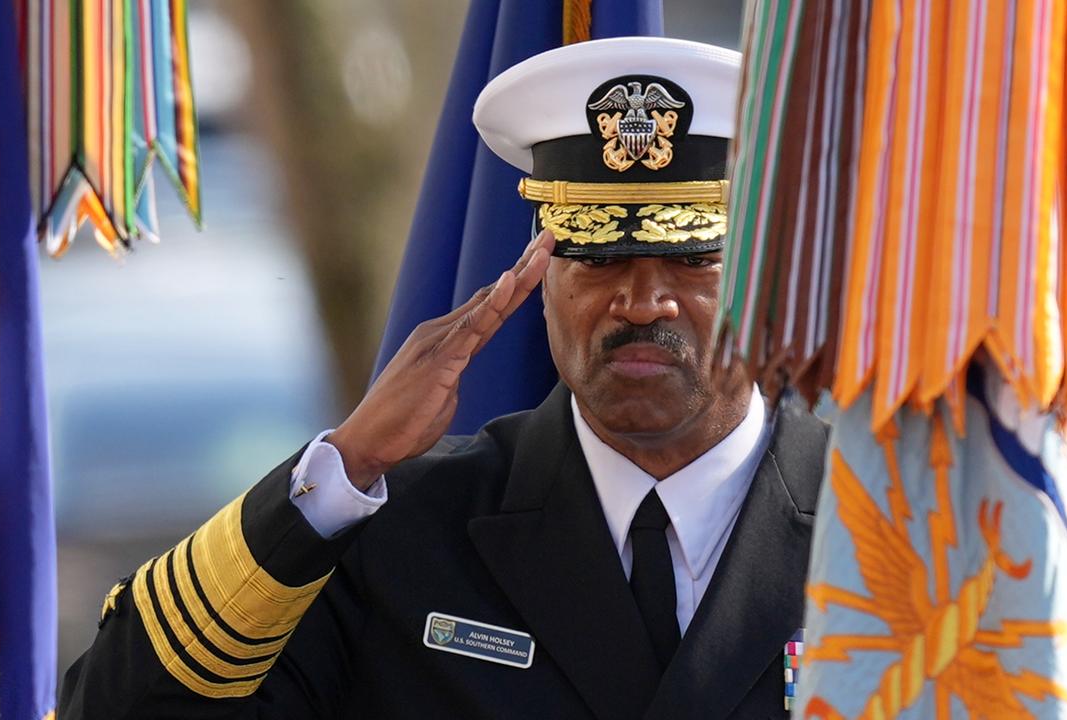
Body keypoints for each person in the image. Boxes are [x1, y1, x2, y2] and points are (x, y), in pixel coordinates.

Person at [60, 37, 825, 720]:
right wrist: (346, 462)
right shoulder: (401, 533)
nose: (642, 300)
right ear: (540, 279)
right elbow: (117, 709)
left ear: (771, 275)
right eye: (596, 256)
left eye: (694, 258)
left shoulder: (872, 517)